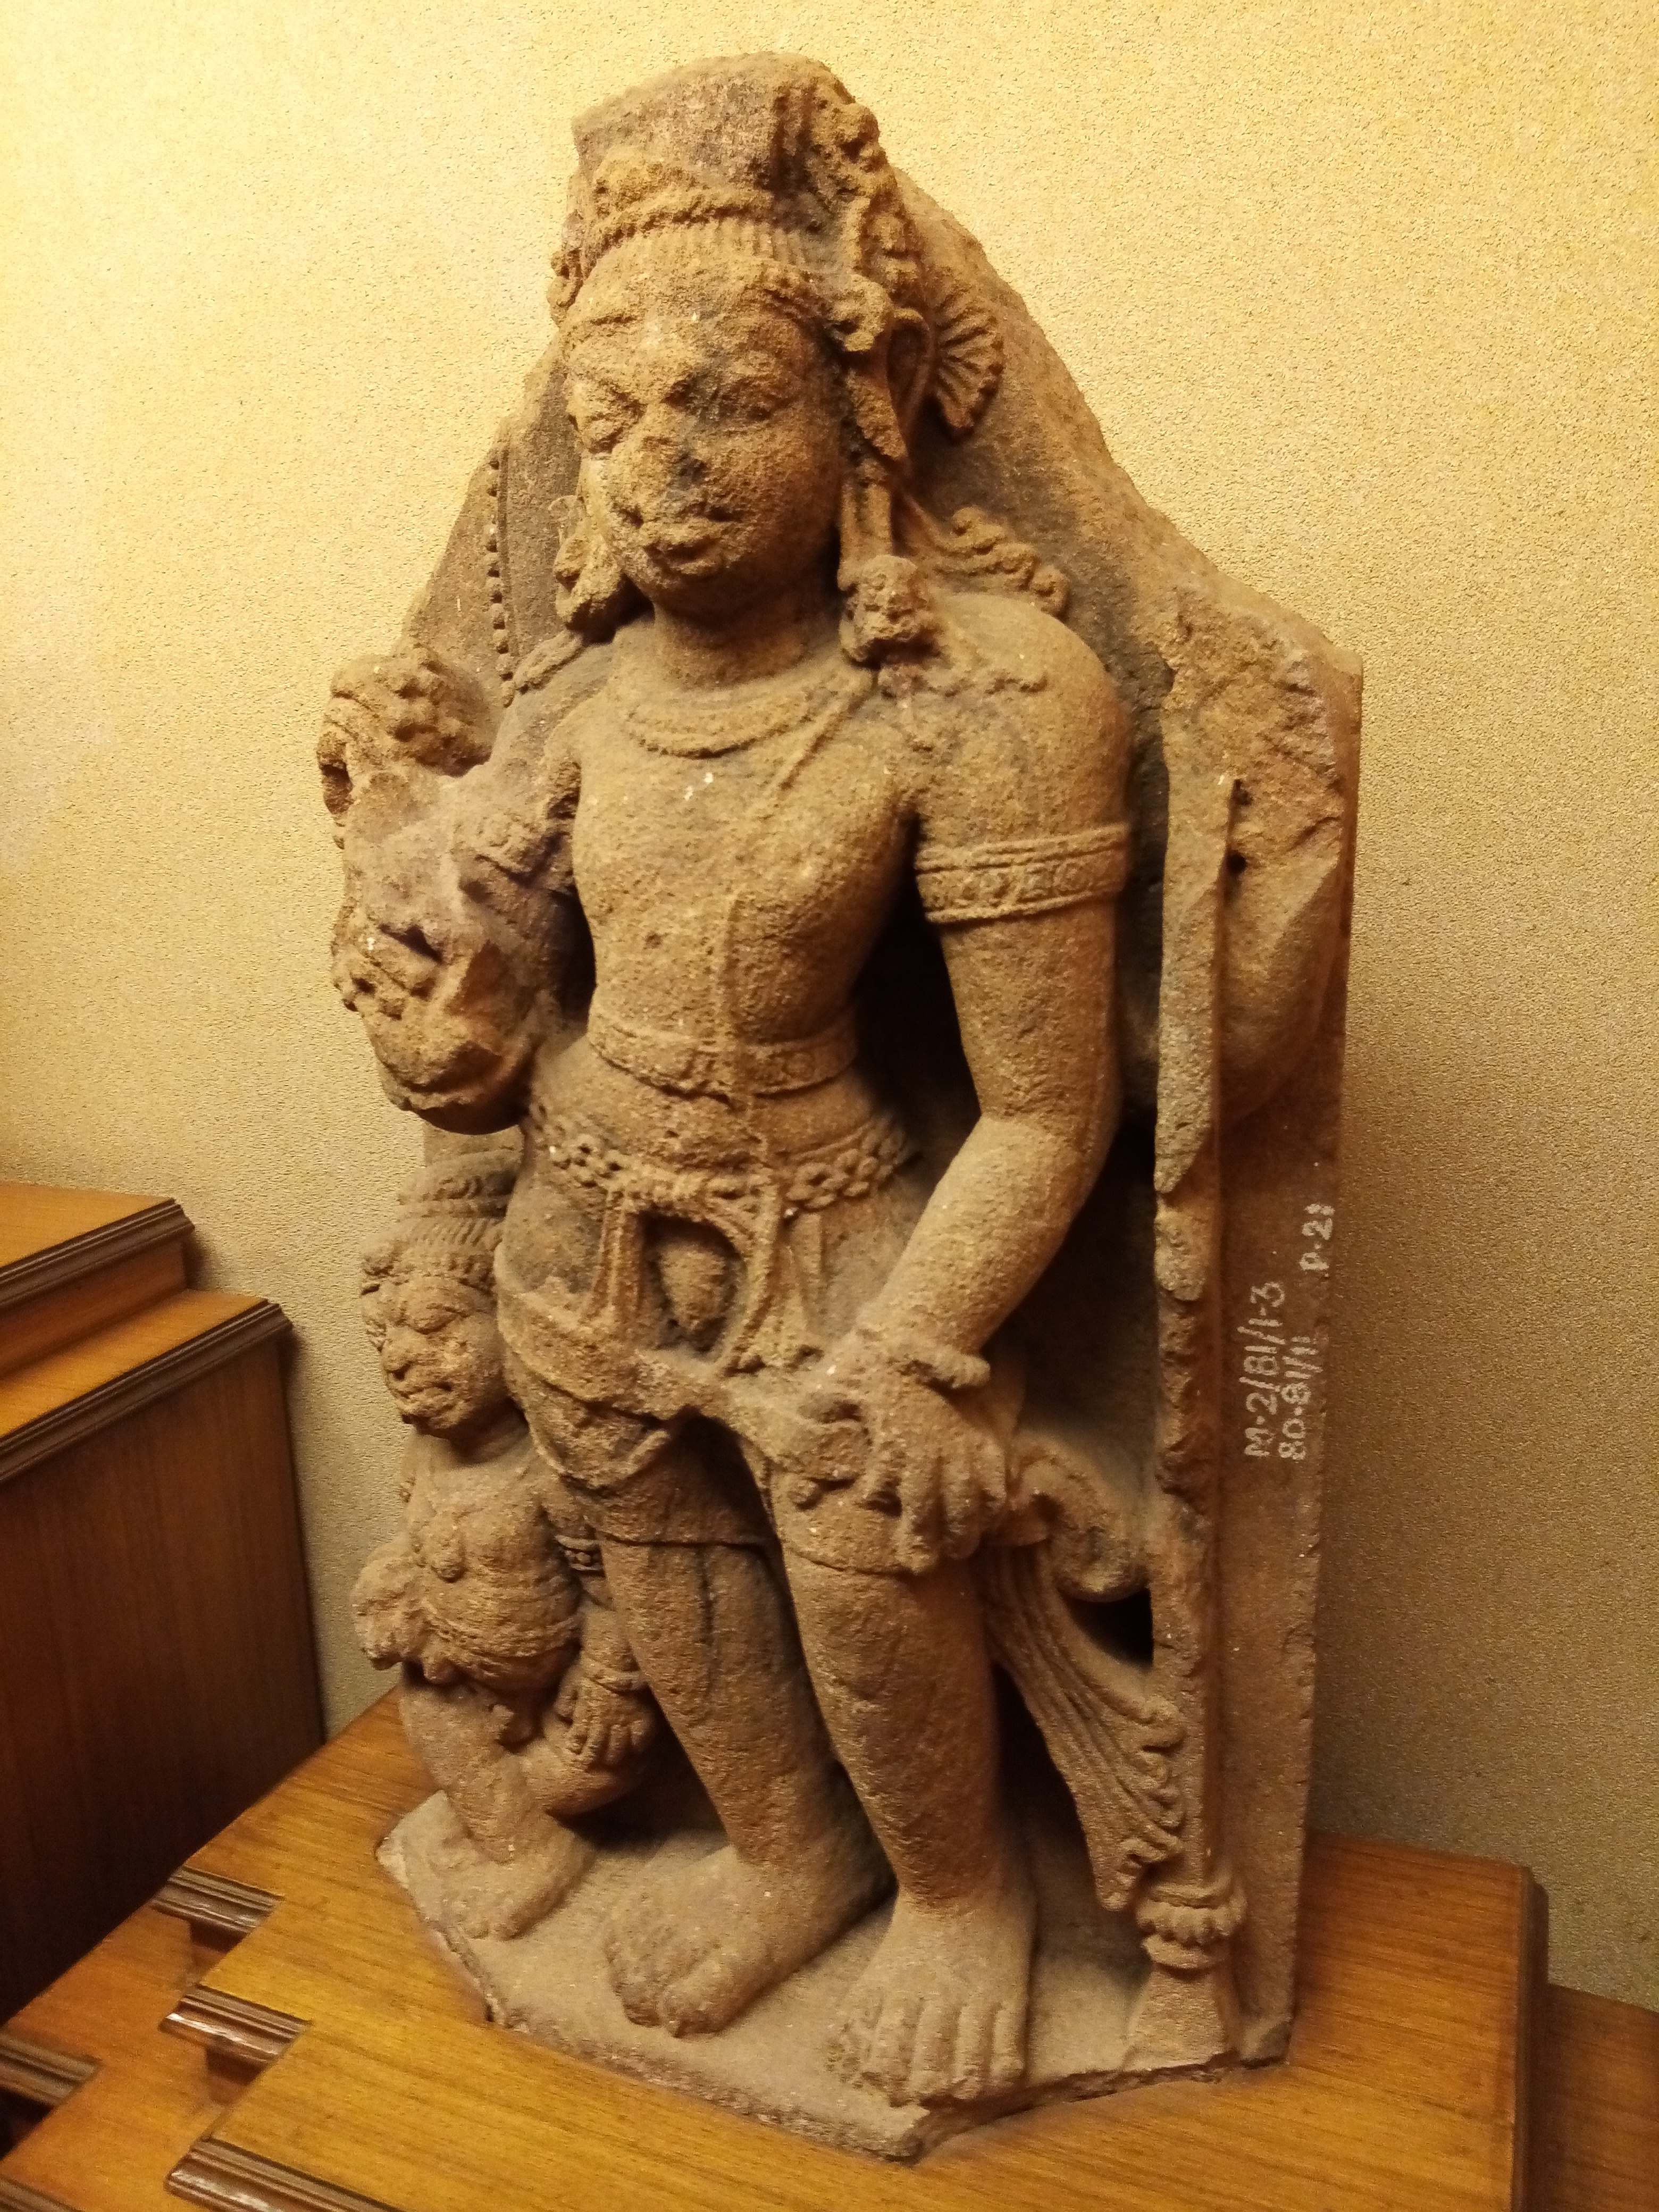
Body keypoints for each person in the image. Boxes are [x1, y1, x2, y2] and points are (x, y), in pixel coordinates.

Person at [323, 56, 1129, 2106]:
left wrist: (918, 1349)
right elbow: (476, 1028)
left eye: (727, 405)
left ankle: (957, 1891)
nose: (658, 469)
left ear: (864, 405)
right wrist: (414, 966)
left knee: (861, 1551)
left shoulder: (983, 704)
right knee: (665, 1559)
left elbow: (1048, 1108)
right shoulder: (576, 703)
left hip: (838, 1232)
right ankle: (788, 1851)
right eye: (606, 426)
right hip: (583, 1225)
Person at [351, 1151, 658, 1937]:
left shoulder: (552, 1467)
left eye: (434, 1327)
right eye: (384, 1335)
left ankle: (536, 1842)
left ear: (517, 1327)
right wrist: (391, 1591)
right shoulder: (425, 1458)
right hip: (471, 1687)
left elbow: (619, 1587)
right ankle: (518, 1836)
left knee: (562, 1781)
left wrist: (610, 1682)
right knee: (427, 1714)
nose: (400, 1358)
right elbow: (423, 1550)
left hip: (577, 1709)